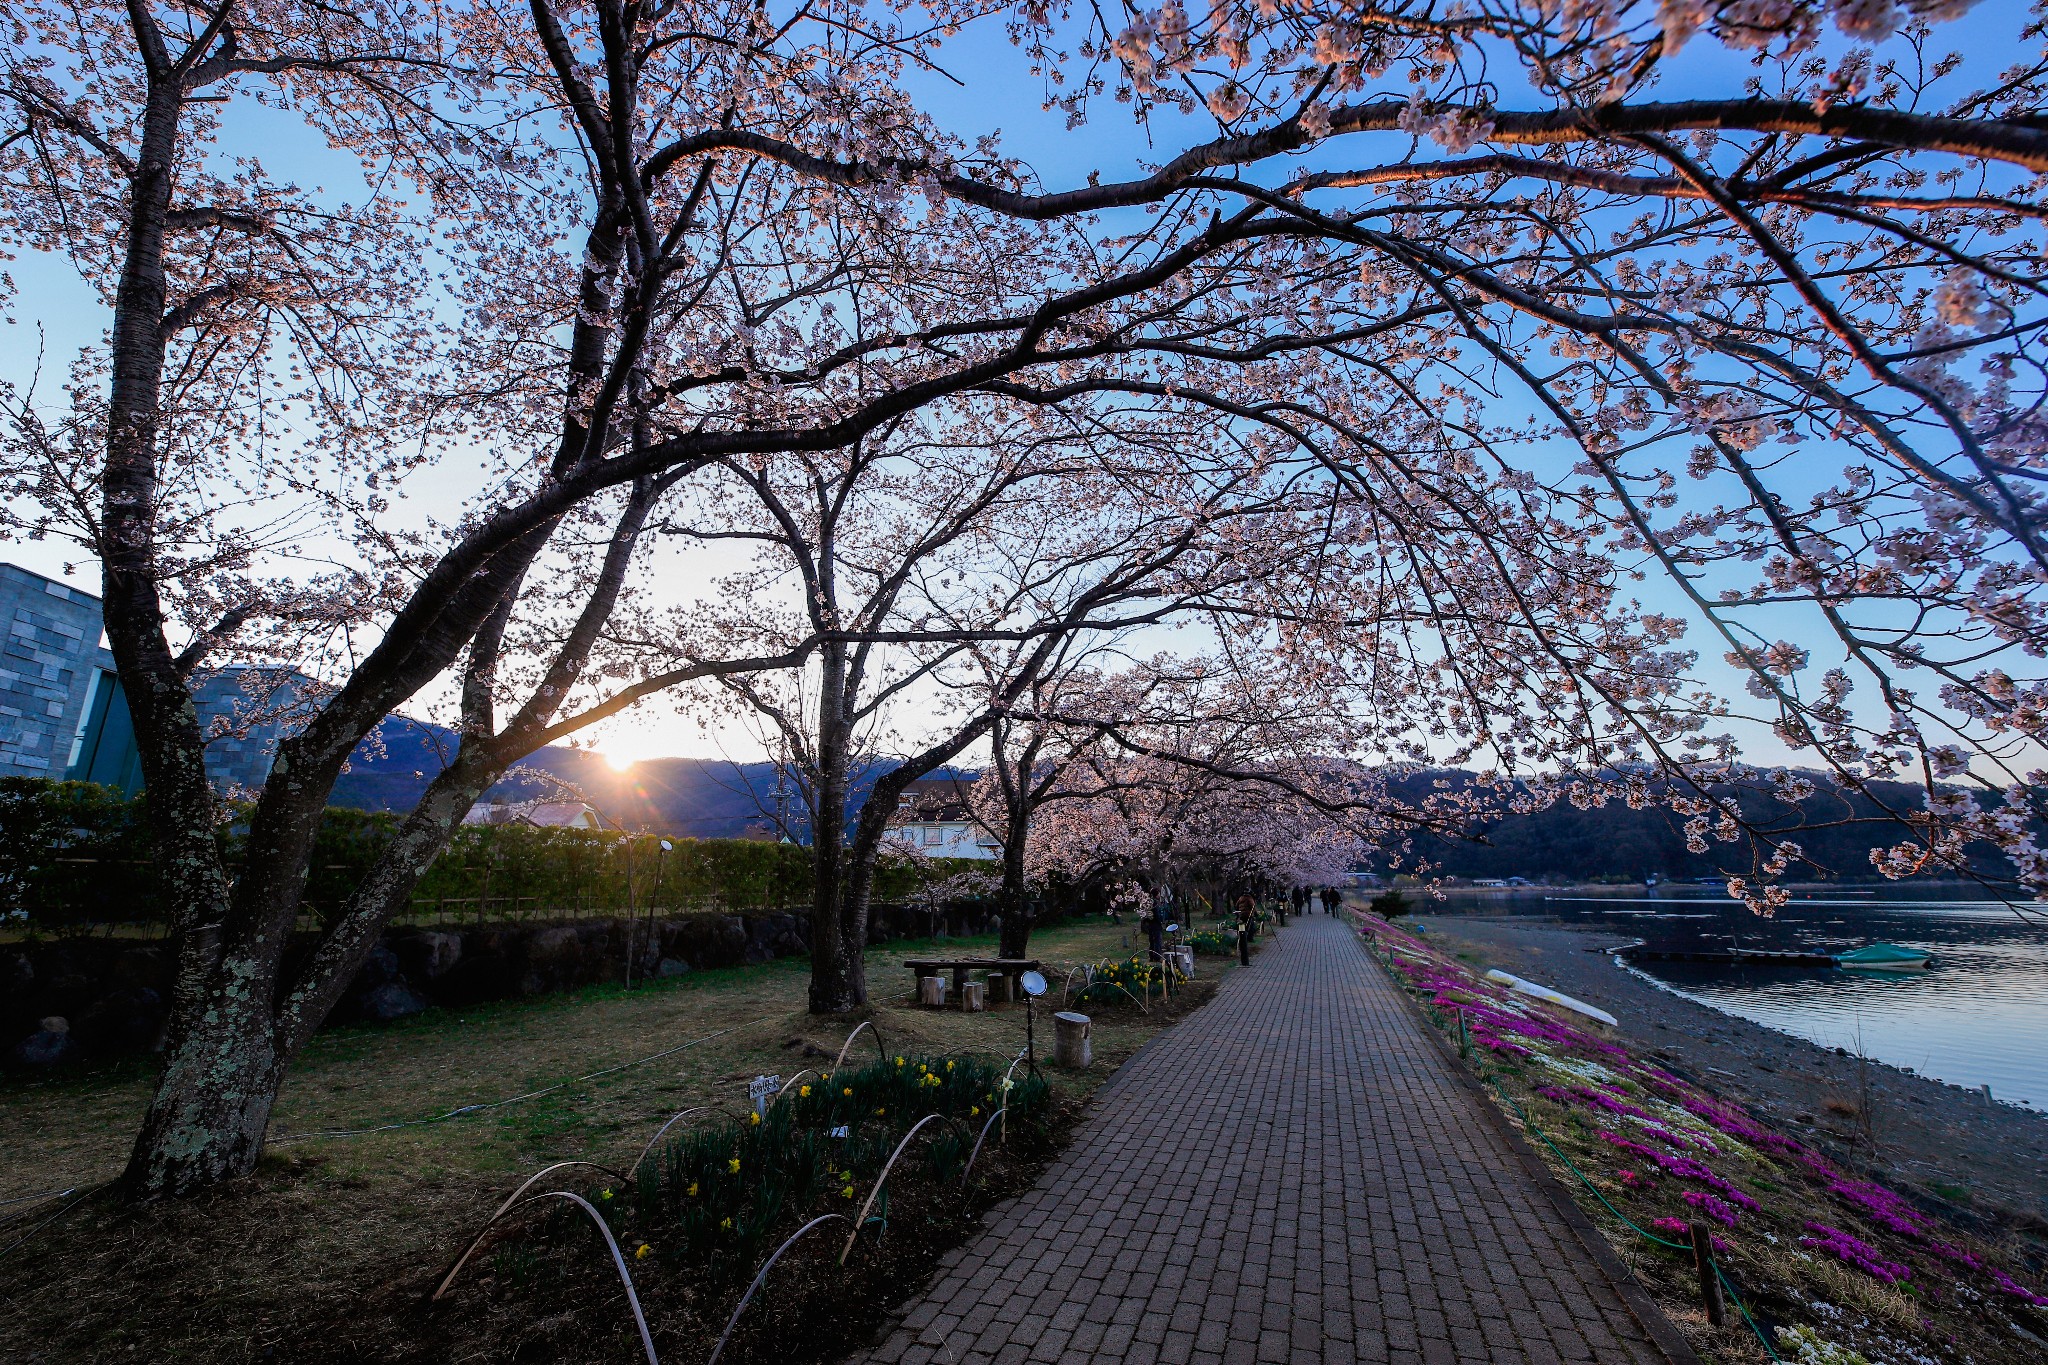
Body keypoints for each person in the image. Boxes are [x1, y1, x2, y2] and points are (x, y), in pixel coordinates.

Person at [1233, 892, 1256, 965]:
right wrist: (1255, 914)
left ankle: (1243, 939)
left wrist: (1238, 913)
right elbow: (1253, 906)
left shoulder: (1240, 898)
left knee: (1243, 927)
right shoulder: (1249, 898)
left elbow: (1236, 905)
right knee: (1250, 926)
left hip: (1241, 914)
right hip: (1248, 914)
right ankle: (1249, 938)